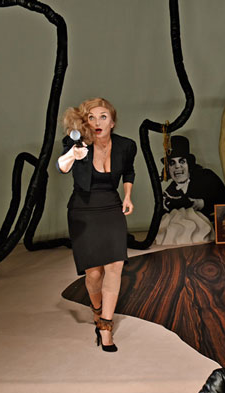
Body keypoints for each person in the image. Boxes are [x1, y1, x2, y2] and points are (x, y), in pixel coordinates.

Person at [57, 97, 137, 352]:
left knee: (115, 266)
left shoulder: (126, 145)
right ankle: (97, 309)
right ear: (86, 122)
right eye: (91, 117)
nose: (97, 122)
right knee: (93, 274)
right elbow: (61, 167)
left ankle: (105, 326)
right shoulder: (76, 142)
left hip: (111, 207)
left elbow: (129, 171)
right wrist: (73, 153)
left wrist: (127, 196)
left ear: (112, 122)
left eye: (103, 116)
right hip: (83, 210)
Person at [162, 135, 225, 221]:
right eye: (172, 163)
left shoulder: (207, 177)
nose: (177, 167)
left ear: (189, 164)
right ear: (168, 168)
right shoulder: (169, 193)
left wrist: (202, 203)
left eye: (182, 161)